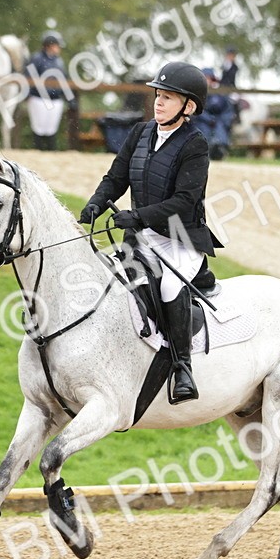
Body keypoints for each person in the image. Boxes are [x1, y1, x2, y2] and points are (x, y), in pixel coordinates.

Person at [78, 62, 220, 404]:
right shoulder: (140, 133)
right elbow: (116, 178)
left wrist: (138, 216)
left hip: (180, 238)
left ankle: (181, 368)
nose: (158, 102)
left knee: (170, 287)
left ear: (188, 106)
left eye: (168, 97)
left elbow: (185, 200)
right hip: (141, 238)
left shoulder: (195, 145)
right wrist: (97, 202)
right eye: (158, 95)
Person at [25, 31, 68, 150]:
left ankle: (51, 150)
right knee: (39, 127)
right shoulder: (36, 58)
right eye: (57, 45)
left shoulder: (59, 61)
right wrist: (28, 93)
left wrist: (66, 95)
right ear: (50, 44)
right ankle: (38, 149)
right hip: (39, 97)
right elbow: (29, 76)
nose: (59, 48)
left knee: (51, 128)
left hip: (55, 98)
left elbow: (64, 78)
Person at [195, 68, 236, 161]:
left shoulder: (220, 94)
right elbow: (195, 110)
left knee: (220, 129)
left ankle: (219, 148)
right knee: (203, 131)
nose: (208, 81)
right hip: (202, 121)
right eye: (205, 78)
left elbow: (228, 110)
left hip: (218, 121)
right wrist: (208, 119)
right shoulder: (197, 94)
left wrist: (222, 120)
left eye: (210, 78)